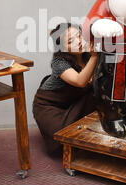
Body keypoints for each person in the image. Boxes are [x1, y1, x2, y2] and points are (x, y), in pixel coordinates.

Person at [33, 23, 98, 156]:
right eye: (70, 41)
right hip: (50, 107)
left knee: (96, 95)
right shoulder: (59, 62)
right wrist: (95, 57)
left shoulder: (87, 55)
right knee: (59, 143)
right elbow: (80, 82)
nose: (78, 42)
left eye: (79, 36)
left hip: (73, 102)